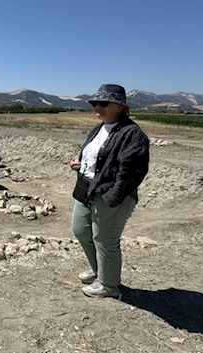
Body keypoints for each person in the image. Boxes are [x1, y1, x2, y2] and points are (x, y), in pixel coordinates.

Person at [69, 84, 150, 299]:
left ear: (120, 107)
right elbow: (96, 158)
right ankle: (99, 271)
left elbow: (132, 171)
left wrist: (113, 198)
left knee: (105, 239)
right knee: (81, 230)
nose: (97, 106)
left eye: (103, 103)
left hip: (109, 195)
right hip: (87, 189)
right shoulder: (98, 128)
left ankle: (109, 285)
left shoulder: (132, 134)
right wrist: (80, 163)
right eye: (95, 103)